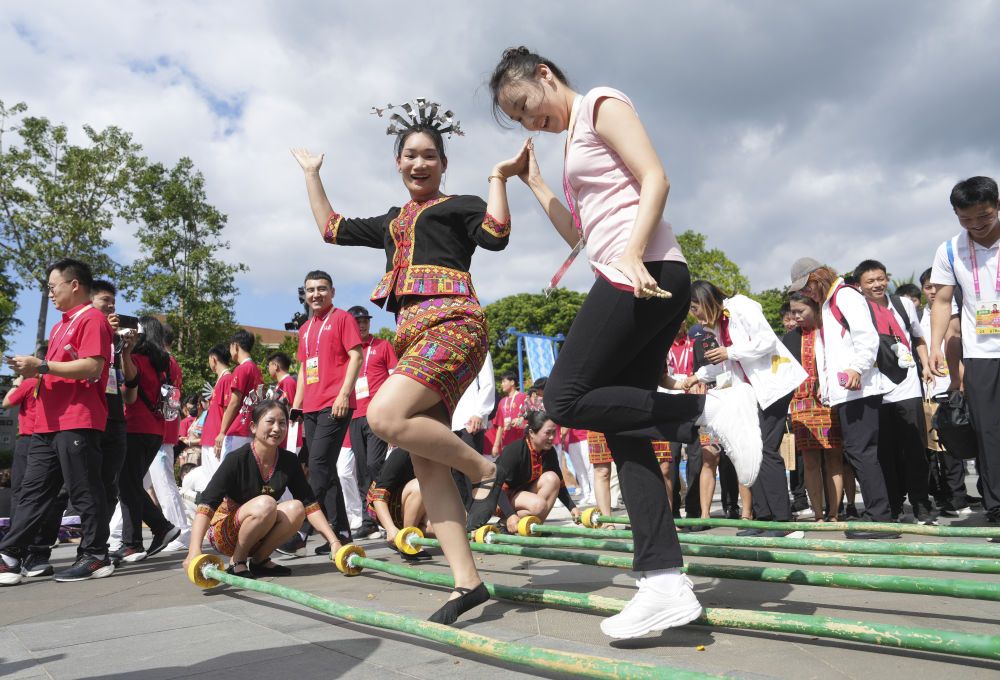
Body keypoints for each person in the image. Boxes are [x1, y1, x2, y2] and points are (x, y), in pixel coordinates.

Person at [489, 46, 762, 638]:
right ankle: (663, 583)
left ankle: (707, 408)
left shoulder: (600, 104)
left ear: (544, 75)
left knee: (562, 399)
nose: (531, 120)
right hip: (629, 271)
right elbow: (579, 234)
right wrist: (533, 181)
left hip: (643, 271)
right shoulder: (571, 143)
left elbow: (656, 178)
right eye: (519, 119)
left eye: (527, 105)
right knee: (626, 432)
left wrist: (634, 252)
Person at [292, 97, 521, 625]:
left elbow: (497, 235)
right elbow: (331, 228)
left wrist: (498, 177)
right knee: (426, 462)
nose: (419, 163)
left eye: (429, 156)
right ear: (398, 163)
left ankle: (486, 470)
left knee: (383, 415)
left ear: (443, 163)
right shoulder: (393, 221)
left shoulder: (460, 205)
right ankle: (467, 583)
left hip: (455, 324)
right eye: (410, 155)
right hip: (413, 337)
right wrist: (311, 174)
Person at [1, 258, 115, 584]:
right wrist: (33, 370)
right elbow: (51, 372)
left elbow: (93, 366)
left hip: (77, 419)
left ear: (74, 285)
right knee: (31, 492)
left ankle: (96, 555)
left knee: (84, 491)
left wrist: (41, 366)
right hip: (46, 424)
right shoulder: (59, 326)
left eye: (53, 287)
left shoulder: (92, 319)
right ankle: (10, 556)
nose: (50, 293)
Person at [685, 281, 808, 536]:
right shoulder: (718, 326)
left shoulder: (740, 306)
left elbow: (766, 341)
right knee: (753, 449)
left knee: (766, 449)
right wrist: (696, 377)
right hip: (752, 392)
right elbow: (725, 365)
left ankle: (782, 521)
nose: (695, 316)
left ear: (705, 300)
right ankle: (762, 519)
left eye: (695, 308)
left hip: (774, 385)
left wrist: (729, 352)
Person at [787, 258, 898, 538]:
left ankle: (879, 518)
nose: (807, 293)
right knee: (858, 453)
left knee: (862, 453)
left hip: (860, 388)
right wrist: (827, 388)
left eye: (807, 287)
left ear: (818, 278)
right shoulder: (828, 303)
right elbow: (830, 351)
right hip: (846, 392)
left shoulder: (845, 296)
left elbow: (867, 337)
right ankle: (878, 514)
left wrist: (857, 368)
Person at [183, 400, 342, 577]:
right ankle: (237, 562)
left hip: (262, 531)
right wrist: (194, 550)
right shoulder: (236, 459)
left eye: (282, 423)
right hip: (225, 534)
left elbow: (309, 505)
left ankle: (260, 560)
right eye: (270, 422)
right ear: (253, 427)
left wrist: (334, 542)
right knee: (267, 503)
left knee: (296, 508)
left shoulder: (289, 461)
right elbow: (206, 504)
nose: (277, 428)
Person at [929, 176, 1000, 524]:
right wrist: (935, 344)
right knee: (988, 432)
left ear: (997, 206)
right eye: (966, 218)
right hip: (981, 353)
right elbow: (942, 302)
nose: (976, 225)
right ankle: (997, 506)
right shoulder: (949, 250)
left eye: (983, 216)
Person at [284, 271, 362, 555]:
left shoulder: (343, 318)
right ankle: (340, 532)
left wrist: (344, 394)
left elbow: (356, 356)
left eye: (321, 289)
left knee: (317, 466)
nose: (315, 294)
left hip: (335, 404)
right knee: (324, 468)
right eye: (310, 290)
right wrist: (297, 404)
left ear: (332, 292)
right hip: (312, 407)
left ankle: (301, 530)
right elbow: (305, 369)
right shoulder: (305, 328)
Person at [854, 259, 934, 524]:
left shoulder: (904, 305)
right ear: (860, 286)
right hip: (875, 389)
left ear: (887, 279)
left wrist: (925, 366)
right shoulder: (857, 311)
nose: (877, 285)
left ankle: (921, 504)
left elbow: (918, 337)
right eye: (870, 281)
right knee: (884, 453)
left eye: (881, 279)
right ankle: (894, 504)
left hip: (907, 386)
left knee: (915, 449)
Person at [117, 315, 182, 563]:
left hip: (134, 426)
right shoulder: (166, 363)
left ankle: (147, 535)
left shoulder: (135, 358)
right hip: (157, 430)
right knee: (131, 485)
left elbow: (129, 393)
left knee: (128, 485)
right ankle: (141, 538)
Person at [786, 292, 845, 521]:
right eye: (793, 312)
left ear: (815, 307)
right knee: (810, 461)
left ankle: (834, 513)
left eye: (801, 311)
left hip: (829, 400)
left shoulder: (831, 331)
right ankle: (818, 514)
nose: (796, 317)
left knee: (834, 458)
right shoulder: (789, 339)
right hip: (801, 402)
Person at [919, 268, 970, 515]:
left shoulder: (959, 312)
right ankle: (947, 497)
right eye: (928, 287)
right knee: (936, 450)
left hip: (957, 387)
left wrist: (961, 381)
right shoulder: (917, 318)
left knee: (958, 446)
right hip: (929, 392)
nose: (932, 291)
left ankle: (961, 498)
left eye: (936, 287)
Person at [346, 304, 398, 541]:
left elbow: (395, 378)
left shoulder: (383, 346)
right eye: (357, 322)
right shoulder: (347, 351)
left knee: (375, 464)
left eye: (365, 321)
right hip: (355, 415)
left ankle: (388, 513)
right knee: (361, 468)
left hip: (377, 414)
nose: (362, 325)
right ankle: (369, 521)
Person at [495, 411, 581, 532]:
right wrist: (510, 515)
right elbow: (496, 486)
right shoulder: (514, 450)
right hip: (497, 497)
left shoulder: (549, 451)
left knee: (553, 479)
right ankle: (505, 523)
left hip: (520, 494)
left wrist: (572, 508)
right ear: (531, 433)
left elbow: (560, 484)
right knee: (538, 505)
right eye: (547, 433)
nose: (552, 437)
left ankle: (535, 527)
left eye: (554, 432)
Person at [366, 448, 433, 560]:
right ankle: (406, 540)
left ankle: (405, 534)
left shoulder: (440, 457)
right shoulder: (401, 455)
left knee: (443, 529)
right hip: (383, 507)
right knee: (419, 486)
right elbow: (378, 497)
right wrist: (390, 528)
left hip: (417, 504)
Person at [450, 350, 497, 506]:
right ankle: (463, 513)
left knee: (472, 470)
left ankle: (476, 513)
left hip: (470, 419)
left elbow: (487, 382)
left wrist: (480, 413)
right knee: (454, 471)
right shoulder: (445, 349)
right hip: (450, 422)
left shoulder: (478, 348)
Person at [214, 329, 263, 459]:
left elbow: (234, 402)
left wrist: (222, 431)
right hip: (252, 429)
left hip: (238, 430)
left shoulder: (241, 369)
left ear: (235, 346)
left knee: (230, 468)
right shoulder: (258, 371)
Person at [200, 344, 232, 478]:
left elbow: (228, 410)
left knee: (217, 480)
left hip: (216, 440)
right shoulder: (221, 379)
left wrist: (222, 434)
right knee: (209, 481)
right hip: (209, 438)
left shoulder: (227, 379)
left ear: (213, 358)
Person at [491, 371, 528, 457]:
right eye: (501, 382)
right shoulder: (502, 401)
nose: (502, 384)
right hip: (506, 444)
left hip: (522, 442)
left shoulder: (523, 397)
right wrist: (496, 446)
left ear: (512, 382)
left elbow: (532, 415)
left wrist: (521, 420)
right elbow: (500, 426)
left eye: (504, 381)